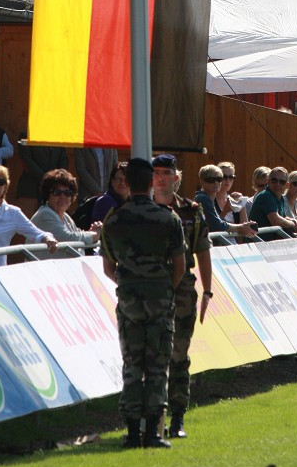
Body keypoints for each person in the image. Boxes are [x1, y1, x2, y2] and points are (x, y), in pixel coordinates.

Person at [101, 157, 185, 449]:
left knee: (133, 364)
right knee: (158, 364)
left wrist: (129, 286)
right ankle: (152, 432)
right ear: (151, 183)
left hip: (129, 299)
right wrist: (163, 288)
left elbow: (108, 268)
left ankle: (133, 431)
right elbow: (179, 266)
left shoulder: (114, 218)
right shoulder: (168, 219)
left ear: (128, 182)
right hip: (160, 297)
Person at [152, 154, 212, 440]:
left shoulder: (191, 210)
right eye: (157, 172)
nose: (162, 177)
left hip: (183, 291)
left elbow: (202, 250)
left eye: (167, 172)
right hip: (149, 288)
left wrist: (208, 290)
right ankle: (152, 418)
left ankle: (177, 417)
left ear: (177, 177)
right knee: (151, 356)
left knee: (178, 355)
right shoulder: (142, 210)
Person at [0, 163, 57, 267]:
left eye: (0, 182)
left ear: (5, 186)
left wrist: (48, 238)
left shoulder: (13, 213)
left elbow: (37, 234)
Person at [31, 169, 100, 249]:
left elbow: (78, 235)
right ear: (47, 195)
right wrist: (95, 234)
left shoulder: (66, 217)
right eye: (57, 192)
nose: (62, 196)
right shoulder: (45, 215)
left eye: (67, 193)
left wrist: (92, 231)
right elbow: (68, 239)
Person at [194, 165, 256, 239]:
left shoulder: (208, 199)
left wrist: (242, 205)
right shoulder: (203, 198)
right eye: (211, 179)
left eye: (219, 179)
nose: (216, 182)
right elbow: (217, 225)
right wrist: (241, 227)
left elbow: (219, 223)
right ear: (202, 182)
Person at [15, 139, 68, 219]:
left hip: (54, 191)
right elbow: (27, 160)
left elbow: (63, 159)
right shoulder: (26, 135)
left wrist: (59, 179)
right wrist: (48, 180)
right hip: (31, 191)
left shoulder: (57, 136)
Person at [249, 166, 297, 235]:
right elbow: (276, 220)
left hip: (269, 243)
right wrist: (293, 224)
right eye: (274, 180)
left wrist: (291, 220)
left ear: (287, 185)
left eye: (282, 182)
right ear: (268, 181)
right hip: (258, 243)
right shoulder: (266, 195)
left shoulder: (281, 198)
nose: (278, 184)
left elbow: (281, 218)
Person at [216, 161, 248, 227]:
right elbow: (213, 226)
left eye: (231, 177)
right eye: (224, 177)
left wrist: (242, 204)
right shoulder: (210, 200)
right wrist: (225, 211)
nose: (228, 180)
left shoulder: (233, 200)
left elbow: (244, 230)